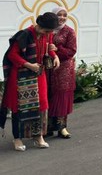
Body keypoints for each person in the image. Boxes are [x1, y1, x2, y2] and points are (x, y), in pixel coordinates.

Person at [0, 12, 60, 152]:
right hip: (21, 75)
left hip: (39, 74)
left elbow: (49, 48)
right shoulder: (24, 35)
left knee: (41, 105)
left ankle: (38, 136)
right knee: (20, 107)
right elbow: (12, 55)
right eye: (47, 31)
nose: (48, 34)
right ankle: (17, 138)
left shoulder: (47, 34)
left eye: (50, 32)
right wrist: (29, 65)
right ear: (40, 26)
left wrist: (55, 56)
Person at [46, 7, 77, 139]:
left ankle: (62, 127)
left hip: (64, 69)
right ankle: (47, 127)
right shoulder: (47, 29)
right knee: (48, 96)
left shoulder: (69, 31)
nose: (62, 17)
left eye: (65, 15)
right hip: (48, 68)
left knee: (61, 97)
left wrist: (57, 49)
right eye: (59, 15)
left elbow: (72, 51)